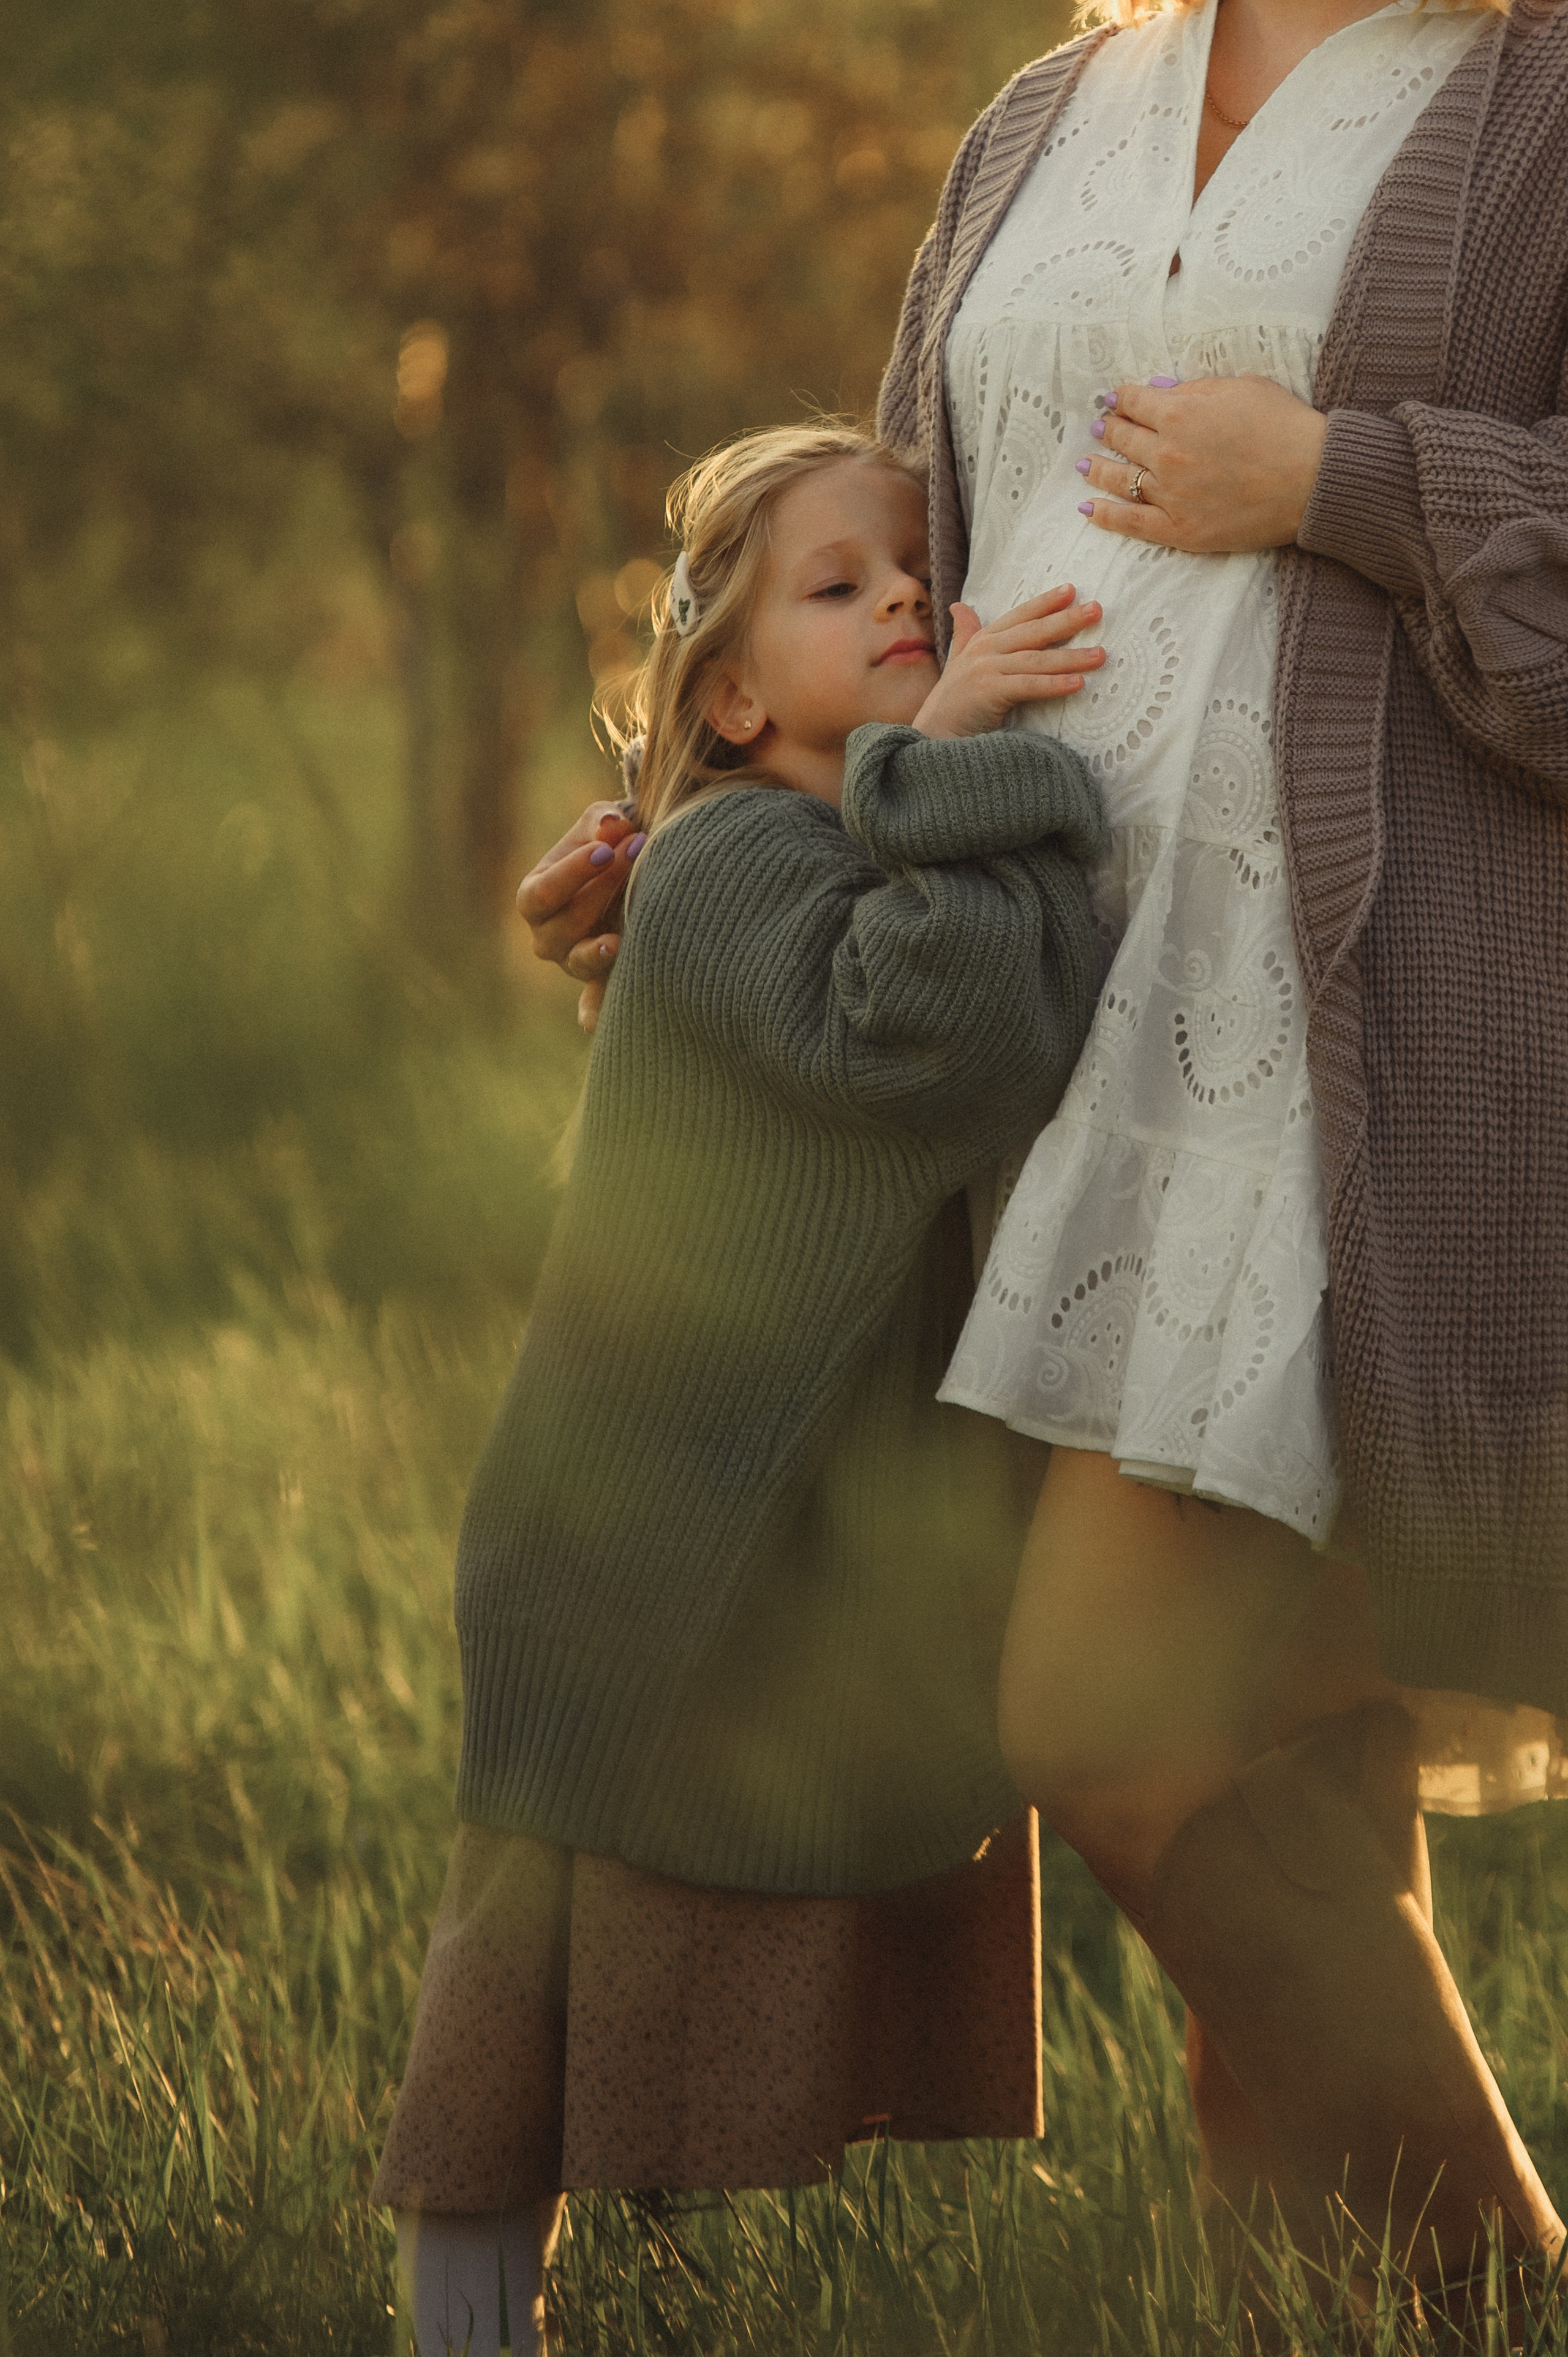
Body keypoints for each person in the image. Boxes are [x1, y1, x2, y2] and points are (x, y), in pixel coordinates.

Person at [524, 0, 1568, 2303]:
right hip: (1059, 1056)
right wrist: (715, 854)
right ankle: (1343, 2322)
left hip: (1350, 1068)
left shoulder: (1540, 98)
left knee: (1107, 1721)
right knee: (1290, 1794)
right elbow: (901, 594)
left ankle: (1498, 2296)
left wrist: (1345, 484)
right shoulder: (1037, 123)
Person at [372, 421, 1109, 2356]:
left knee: (624, 1933)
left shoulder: (838, 840)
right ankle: (457, 2327)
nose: (900, 604)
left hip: (781, 1558)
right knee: (516, 1996)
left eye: (914, 575)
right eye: (837, 584)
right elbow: (932, 1040)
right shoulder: (718, 869)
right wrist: (946, 759)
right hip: (639, 1557)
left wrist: (929, 780)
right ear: (723, 688)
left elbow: (1028, 995)